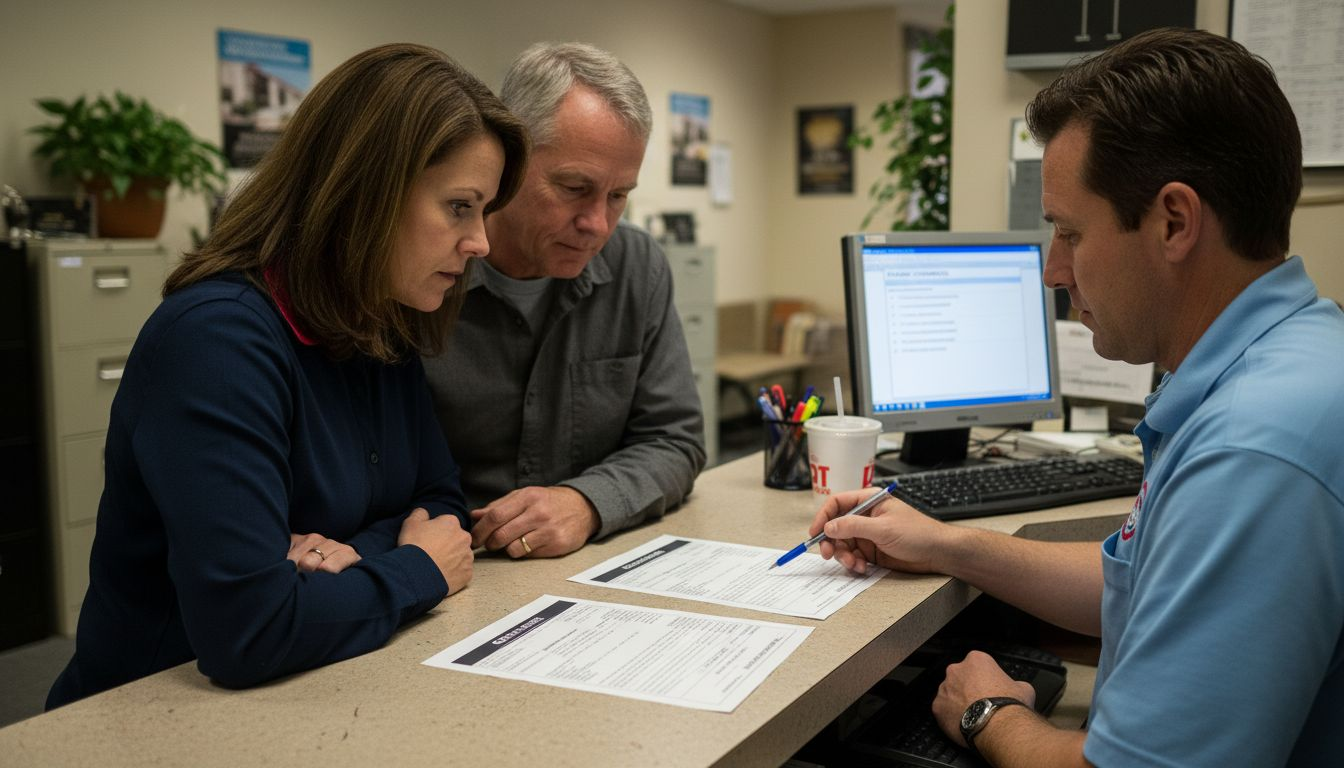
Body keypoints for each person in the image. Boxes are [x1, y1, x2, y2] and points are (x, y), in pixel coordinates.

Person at [810, 28, 1344, 768]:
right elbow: (1155, 586)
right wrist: (943, 543)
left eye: (1069, 232)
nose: (1052, 270)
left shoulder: (1251, 448)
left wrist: (990, 714)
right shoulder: (1296, 355)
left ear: (1175, 222)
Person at [47, 43, 529, 708]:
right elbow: (250, 630)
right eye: (458, 206)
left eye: (483, 211)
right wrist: (417, 567)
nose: (480, 242)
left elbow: (439, 502)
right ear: (366, 192)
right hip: (151, 714)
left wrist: (347, 558)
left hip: (321, 689)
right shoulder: (216, 341)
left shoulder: (378, 321)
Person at [423, 42, 706, 560]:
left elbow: (675, 440)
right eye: (575, 187)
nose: (597, 223)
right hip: (449, 566)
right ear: (508, 159)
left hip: (584, 562)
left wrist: (587, 502)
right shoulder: (424, 269)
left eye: (618, 196)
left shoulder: (636, 266)